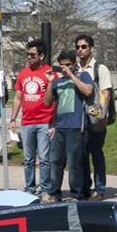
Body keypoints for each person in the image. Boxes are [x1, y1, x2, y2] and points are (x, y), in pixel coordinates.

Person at [44, 51, 93, 202]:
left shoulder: (82, 75)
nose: (64, 68)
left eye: (68, 65)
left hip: (76, 127)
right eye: (62, 65)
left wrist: (72, 75)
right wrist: (51, 82)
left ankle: (77, 194)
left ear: (74, 64)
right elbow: (47, 102)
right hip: (60, 127)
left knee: (74, 163)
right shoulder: (58, 81)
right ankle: (54, 192)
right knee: (56, 161)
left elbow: (88, 91)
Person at [9, 39, 55, 197]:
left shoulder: (49, 73)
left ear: (41, 56)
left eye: (32, 55)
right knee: (28, 159)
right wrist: (13, 119)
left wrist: (53, 123)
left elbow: (54, 99)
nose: (29, 58)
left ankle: (45, 189)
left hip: (44, 121)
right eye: (27, 54)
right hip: (27, 122)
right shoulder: (23, 73)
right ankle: (29, 188)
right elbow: (18, 98)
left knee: (44, 158)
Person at [75, 34, 113, 200]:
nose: (80, 50)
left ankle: (100, 189)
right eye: (78, 47)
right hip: (78, 119)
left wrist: (101, 113)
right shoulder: (74, 69)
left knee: (96, 154)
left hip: (95, 118)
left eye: (84, 47)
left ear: (91, 48)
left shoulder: (100, 69)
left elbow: (106, 92)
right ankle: (85, 187)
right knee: (81, 154)